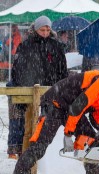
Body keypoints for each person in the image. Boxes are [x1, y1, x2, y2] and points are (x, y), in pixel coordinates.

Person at [7, 16, 68, 159]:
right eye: (42, 29)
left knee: (46, 123)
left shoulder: (57, 47)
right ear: (36, 29)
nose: (45, 32)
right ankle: (24, 152)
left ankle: (43, 154)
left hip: (50, 89)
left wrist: (60, 85)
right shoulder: (26, 45)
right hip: (29, 89)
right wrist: (26, 84)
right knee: (28, 123)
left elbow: (62, 70)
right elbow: (18, 69)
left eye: (48, 29)